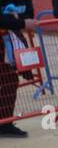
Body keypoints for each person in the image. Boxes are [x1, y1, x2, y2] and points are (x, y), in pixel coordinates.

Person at [0, 8, 39, 137]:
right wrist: (19, 21)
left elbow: (24, 10)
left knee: (9, 80)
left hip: (6, 40)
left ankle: (4, 122)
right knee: (9, 80)